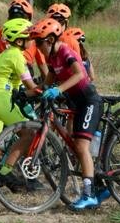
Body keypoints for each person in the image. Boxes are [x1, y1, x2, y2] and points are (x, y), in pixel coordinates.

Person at [31, 17, 107, 210]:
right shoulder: (51, 57)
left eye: (38, 42)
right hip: (76, 102)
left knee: (81, 147)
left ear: (50, 40)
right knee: (75, 146)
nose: (36, 46)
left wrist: (59, 89)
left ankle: (88, 194)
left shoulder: (65, 51)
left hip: (89, 100)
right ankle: (99, 184)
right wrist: (26, 93)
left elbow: (80, 74)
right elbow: (46, 83)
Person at [0, 19, 43, 189]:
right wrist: (46, 91)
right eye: (29, 37)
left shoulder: (2, 56)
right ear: (19, 41)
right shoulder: (17, 56)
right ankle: (5, 172)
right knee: (29, 133)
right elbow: (31, 86)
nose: (32, 41)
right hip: (3, 101)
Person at [0, 0, 47, 77]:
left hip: (4, 70)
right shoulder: (33, 33)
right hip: (24, 69)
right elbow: (42, 64)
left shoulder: (0, 32)